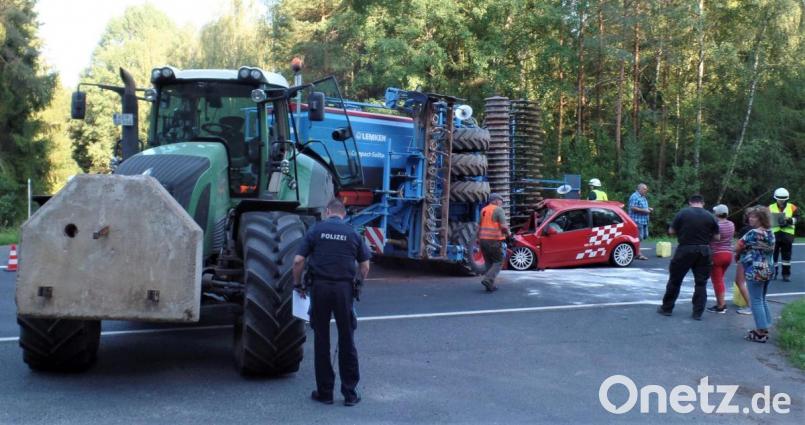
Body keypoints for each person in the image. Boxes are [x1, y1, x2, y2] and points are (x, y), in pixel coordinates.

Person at [292, 198, 370, 406]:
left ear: (327, 212)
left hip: (320, 289)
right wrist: (358, 284)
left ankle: (325, 393)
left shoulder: (316, 231)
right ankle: (350, 394)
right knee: (347, 339)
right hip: (344, 290)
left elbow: (298, 261)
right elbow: (365, 265)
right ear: (343, 214)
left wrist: (298, 285)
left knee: (321, 340)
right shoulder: (352, 233)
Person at [657, 194, 720, 320]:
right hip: (704, 251)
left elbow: (671, 231)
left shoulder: (683, 213)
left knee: (675, 280)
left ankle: (667, 308)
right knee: (701, 283)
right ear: (703, 203)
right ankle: (697, 313)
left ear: (690, 202)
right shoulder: (710, 216)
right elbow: (717, 237)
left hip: (685, 249)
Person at [735, 206, 775, 343]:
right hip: (769, 267)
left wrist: (742, 250)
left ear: (761, 219)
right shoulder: (771, 233)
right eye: (750, 216)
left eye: (753, 217)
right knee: (762, 298)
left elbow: (737, 246)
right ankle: (765, 325)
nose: (750, 219)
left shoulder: (752, 233)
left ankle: (760, 332)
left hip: (755, 269)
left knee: (756, 300)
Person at [478, 193, 511, 292]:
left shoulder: (483, 210)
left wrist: (477, 239)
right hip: (494, 239)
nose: (501, 203)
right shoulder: (498, 210)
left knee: (489, 262)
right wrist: (509, 234)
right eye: (501, 201)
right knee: (499, 261)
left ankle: (489, 286)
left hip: (483, 240)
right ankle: (487, 279)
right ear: (496, 200)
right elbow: (503, 226)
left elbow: (479, 226)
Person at [707, 204, 735, 314]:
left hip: (717, 255)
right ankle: (720, 303)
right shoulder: (731, 224)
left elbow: (713, 237)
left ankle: (721, 306)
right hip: (728, 254)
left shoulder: (716, 225)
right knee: (720, 280)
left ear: (717, 214)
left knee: (717, 281)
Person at [769, 188, 798, 282]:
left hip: (787, 235)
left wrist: (789, 220)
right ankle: (773, 273)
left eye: (783, 199)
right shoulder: (770, 207)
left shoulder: (792, 207)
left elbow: (797, 219)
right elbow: (766, 220)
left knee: (786, 256)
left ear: (787, 199)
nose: (781, 201)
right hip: (774, 234)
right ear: (775, 198)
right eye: (779, 199)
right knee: (773, 255)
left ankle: (786, 274)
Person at [733, 211, 753, 315]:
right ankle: (755, 304)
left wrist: (736, 254)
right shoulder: (764, 230)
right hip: (757, 257)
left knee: (739, 281)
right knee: (753, 282)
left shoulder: (745, 230)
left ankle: (751, 306)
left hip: (745, 256)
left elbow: (740, 245)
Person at [628, 183, 653, 259]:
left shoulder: (642, 196)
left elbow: (642, 206)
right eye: (645, 189)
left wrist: (648, 208)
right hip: (637, 220)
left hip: (643, 220)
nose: (646, 190)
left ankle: (635, 251)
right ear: (640, 189)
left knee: (643, 236)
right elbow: (633, 207)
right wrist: (645, 210)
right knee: (638, 237)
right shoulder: (634, 196)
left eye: (646, 189)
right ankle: (638, 254)